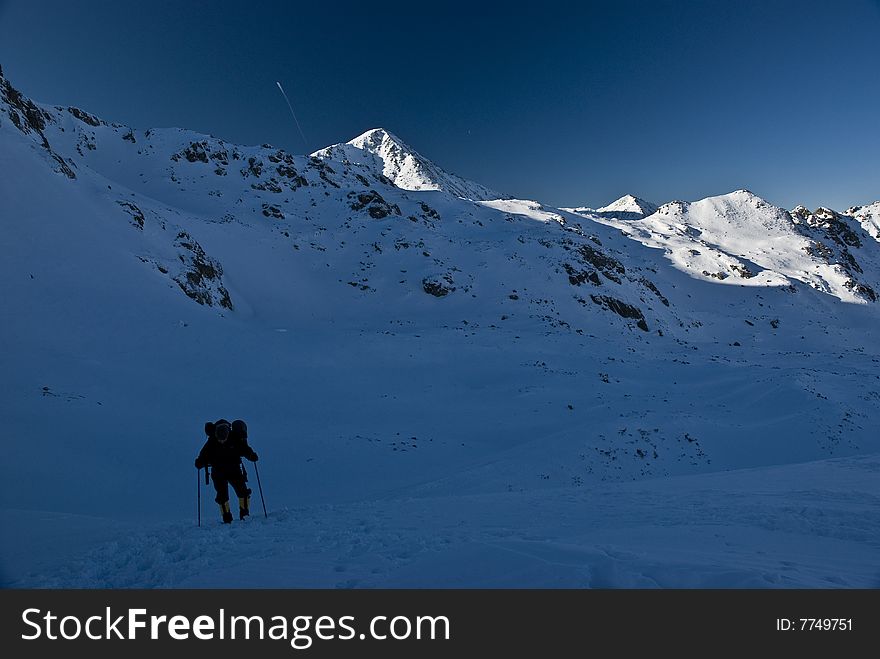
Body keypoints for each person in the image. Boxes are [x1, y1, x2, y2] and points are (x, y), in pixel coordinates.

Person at [194, 418, 259, 523]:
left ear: (228, 434)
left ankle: (244, 514)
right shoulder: (211, 442)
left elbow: (245, 449)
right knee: (222, 496)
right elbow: (203, 456)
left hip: (233, 470)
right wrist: (199, 462)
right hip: (219, 472)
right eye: (220, 440)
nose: (221, 441)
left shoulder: (234, 438)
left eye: (223, 440)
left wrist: (251, 455)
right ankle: (227, 517)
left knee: (243, 492)